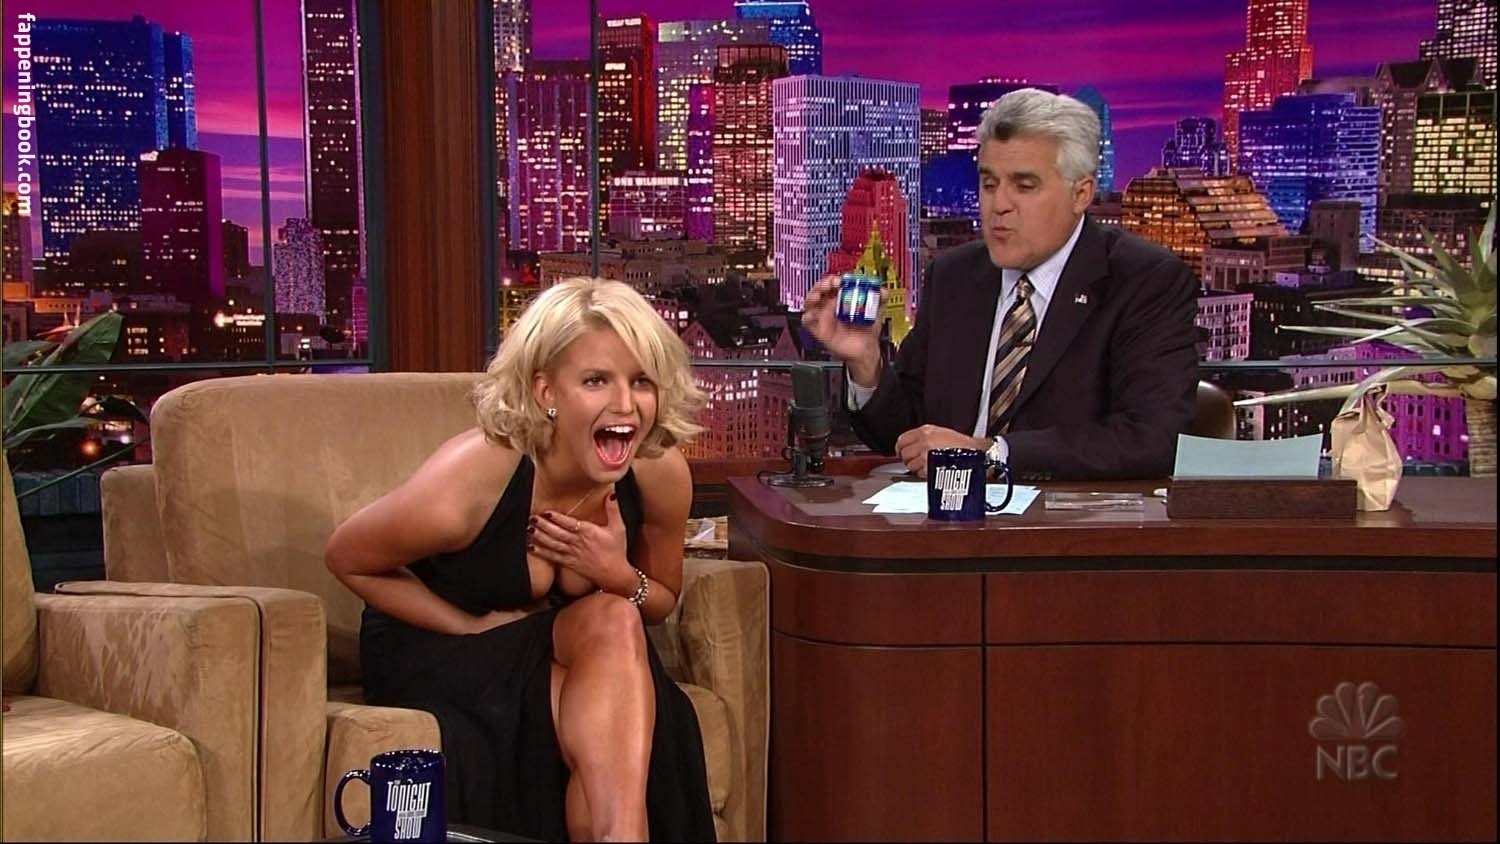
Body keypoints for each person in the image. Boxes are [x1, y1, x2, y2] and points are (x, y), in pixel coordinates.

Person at [325, 278, 716, 842]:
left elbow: (660, 601)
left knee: (614, 625)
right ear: (545, 391)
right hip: (439, 646)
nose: (626, 404)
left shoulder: (659, 473)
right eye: (596, 380)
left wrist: (615, 573)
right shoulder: (477, 475)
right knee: (609, 729)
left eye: (642, 382)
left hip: (559, 644)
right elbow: (347, 558)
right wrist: (467, 626)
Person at [804, 88, 1199, 481]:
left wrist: (993, 453)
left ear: (1081, 194)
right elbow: (908, 434)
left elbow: (1152, 438)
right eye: (989, 184)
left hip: (1065, 515)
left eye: (1024, 186)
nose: (999, 205)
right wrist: (866, 364)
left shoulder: (1145, 281)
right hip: (945, 511)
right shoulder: (954, 276)